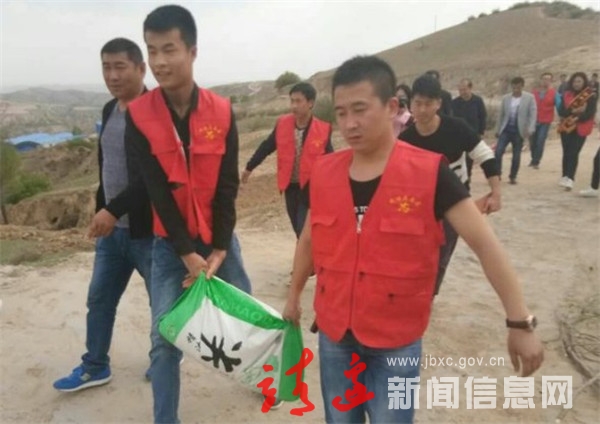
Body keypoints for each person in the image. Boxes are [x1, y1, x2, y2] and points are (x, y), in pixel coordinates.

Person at [283, 55, 543, 424]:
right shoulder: (325, 173)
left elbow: (485, 244)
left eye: (360, 109)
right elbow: (309, 240)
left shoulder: (429, 172)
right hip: (335, 335)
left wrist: (520, 322)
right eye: (341, 113)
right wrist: (293, 295)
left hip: (397, 342)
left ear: (391, 107)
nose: (350, 123)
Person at [125, 5, 252, 423]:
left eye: (169, 49)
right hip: (170, 245)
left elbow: (228, 186)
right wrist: (186, 253)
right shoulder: (139, 116)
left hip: (219, 241)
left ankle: (262, 379)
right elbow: (156, 192)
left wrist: (219, 248)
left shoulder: (221, 110)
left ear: (192, 51)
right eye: (152, 51)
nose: (159, 61)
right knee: (165, 336)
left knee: (247, 317)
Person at [53, 38, 154, 392]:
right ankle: (95, 365)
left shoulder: (156, 113)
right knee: (99, 299)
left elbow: (153, 177)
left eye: (119, 67)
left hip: (148, 232)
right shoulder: (110, 108)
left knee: (162, 302)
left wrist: (112, 210)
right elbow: (107, 166)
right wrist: (102, 208)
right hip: (113, 234)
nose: (112, 75)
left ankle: (165, 358)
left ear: (141, 68)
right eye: (106, 67)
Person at [401, 74, 501, 296]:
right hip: (421, 208)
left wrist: (496, 192)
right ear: (411, 104)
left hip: (454, 204)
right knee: (416, 254)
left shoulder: (457, 128)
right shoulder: (406, 140)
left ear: (438, 103)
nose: (423, 110)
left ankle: (428, 296)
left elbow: (485, 156)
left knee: (441, 256)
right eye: (418, 103)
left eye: (428, 103)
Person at [241, 82, 332, 238]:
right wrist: (249, 167)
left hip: (310, 188)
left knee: (304, 230)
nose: (294, 106)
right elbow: (266, 147)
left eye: (298, 101)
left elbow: (330, 159)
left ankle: (308, 253)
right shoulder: (283, 124)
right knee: (298, 229)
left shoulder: (322, 129)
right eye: (292, 101)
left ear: (310, 103)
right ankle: (308, 253)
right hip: (290, 187)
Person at [557, 72, 597, 190]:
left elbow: (590, 113)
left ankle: (570, 178)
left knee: (574, 152)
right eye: (574, 81)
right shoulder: (566, 94)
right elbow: (561, 111)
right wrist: (573, 111)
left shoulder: (590, 96)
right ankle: (565, 175)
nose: (576, 84)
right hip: (567, 126)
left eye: (579, 81)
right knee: (566, 151)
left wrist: (578, 117)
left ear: (584, 82)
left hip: (581, 127)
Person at [494, 76, 537, 185]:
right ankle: (497, 174)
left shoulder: (529, 98)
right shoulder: (506, 98)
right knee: (498, 152)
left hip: (519, 131)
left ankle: (513, 176)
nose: (516, 90)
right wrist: (497, 129)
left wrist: (530, 128)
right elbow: (501, 115)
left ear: (522, 86)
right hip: (506, 129)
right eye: (513, 88)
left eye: (518, 88)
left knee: (516, 155)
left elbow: (532, 114)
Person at [451, 78, 487, 182]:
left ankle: (468, 176)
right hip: (458, 134)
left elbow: (482, 116)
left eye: (464, 89)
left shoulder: (478, 101)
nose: (462, 92)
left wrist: (481, 132)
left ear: (470, 88)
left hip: (473, 134)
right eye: (460, 90)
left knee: (469, 158)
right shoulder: (455, 103)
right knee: (458, 156)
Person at [529, 72, 558, 169]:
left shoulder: (554, 93)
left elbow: (559, 105)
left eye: (548, 79)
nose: (546, 81)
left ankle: (536, 161)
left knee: (540, 140)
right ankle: (533, 158)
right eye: (544, 79)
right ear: (541, 80)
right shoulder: (534, 92)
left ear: (551, 81)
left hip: (545, 121)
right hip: (533, 120)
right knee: (532, 141)